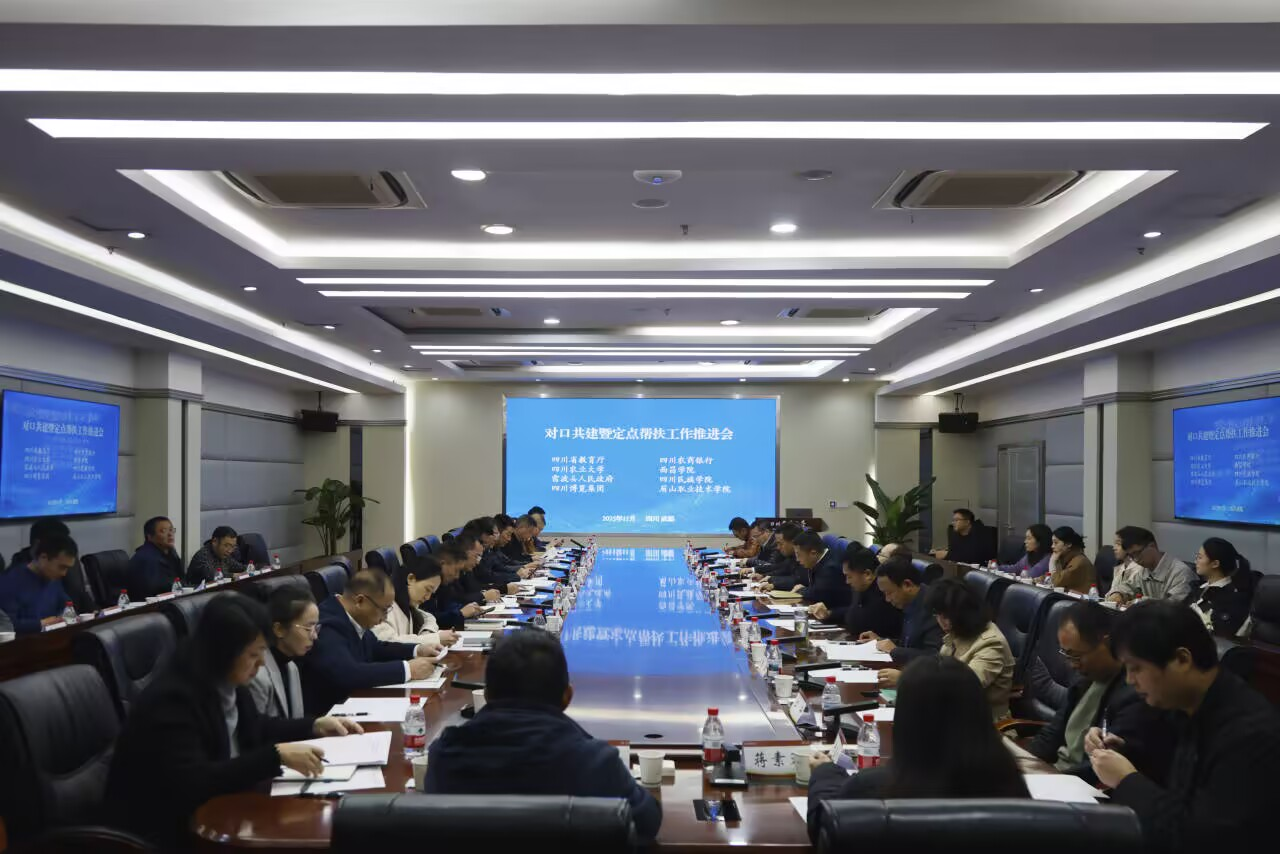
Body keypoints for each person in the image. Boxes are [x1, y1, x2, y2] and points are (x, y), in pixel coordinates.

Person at [105, 593, 361, 847]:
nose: (261, 663)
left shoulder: (226, 682)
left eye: (262, 652)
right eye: (253, 655)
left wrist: (313, 725)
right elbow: (192, 782)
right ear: (223, 652)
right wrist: (275, 757)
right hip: (167, 832)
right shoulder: (172, 700)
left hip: (220, 811)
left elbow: (257, 726)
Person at [424, 629, 662, 842]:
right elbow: (647, 820)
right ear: (567, 696)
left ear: (486, 695)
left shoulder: (444, 756)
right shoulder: (595, 762)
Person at [1089, 601, 1280, 851]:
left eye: (1136, 668)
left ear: (1182, 659)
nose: (1129, 680)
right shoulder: (1183, 707)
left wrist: (1126, 780)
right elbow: (1170, 781)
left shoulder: (1250, 733)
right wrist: (1124, 753)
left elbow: (1199, 835)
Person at [806, 656, 1027, 831]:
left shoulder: (875, 786)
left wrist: (825, 772)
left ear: (907, 717)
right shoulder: (1010, 784)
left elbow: (825, 826)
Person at [1026, 602, 1173, 783]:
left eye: (1076, 656)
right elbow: (1052, 734)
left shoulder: (1136, 693)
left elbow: (1101, 767)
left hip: (1077, 784)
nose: (1072, 664)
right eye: (1067, 655)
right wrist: (1023, 766)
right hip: (1054, 774)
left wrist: (1049, 781)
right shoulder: (1085, 678)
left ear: (1106, 642)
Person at [298, 569, 442, 714]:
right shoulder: (328, 625)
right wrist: (408, 669)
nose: (385, 618)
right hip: (329, 716)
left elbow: (377, 648)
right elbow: (349, 673)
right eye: (384, 610)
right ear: (360, 601)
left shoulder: (351, 616)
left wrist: (417, 649)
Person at [876, 578, 1014, 720]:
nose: (943, 622)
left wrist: (906, 679)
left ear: (966, 611)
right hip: (949, 715)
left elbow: (964, 687)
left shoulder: (991, 643)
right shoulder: (958, 633)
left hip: (982, 724)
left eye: (947, 616)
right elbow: (938, 670)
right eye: (938, 615)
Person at [248, 586, 318, 719]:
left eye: (316, 627)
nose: (315, 636)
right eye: (308, 628)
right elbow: (258, 729)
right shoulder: (257, 676)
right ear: (279, 629)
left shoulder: (291, 667)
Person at [859, 557, 943, 665]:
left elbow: (936, 657)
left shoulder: (934, 606)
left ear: (907, 585)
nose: (887, 599)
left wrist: (895, 651)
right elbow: (910, 644)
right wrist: (881, 641)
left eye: (889, 593)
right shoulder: (910, 603)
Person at [807, 549, 902, 640]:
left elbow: (862, 621)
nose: (847, 581)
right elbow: (853, 611)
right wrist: (829, 613)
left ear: (867, 574)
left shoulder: (886, 595)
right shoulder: (860, 588)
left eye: (849, 576)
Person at [373, 554, 458, 648]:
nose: (428, 598)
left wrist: (427, 633)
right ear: (411, 579)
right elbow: (388, 643)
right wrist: (434, 638)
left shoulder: (407, 602)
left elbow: (428, 617)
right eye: (427, 589)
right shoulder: (384, 606)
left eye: (431, 593)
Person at [0, 533, 78, 634]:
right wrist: (40, 624)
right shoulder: (9, 582)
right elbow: (6, 626)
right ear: (43, 557)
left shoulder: (53, 578)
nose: (64, 573)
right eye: (62, 567)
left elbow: (66, 605)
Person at [1107, 526, 1196, 604]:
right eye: (1131, 556)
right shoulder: (1143, 570)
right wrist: (1118, 594)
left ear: (1152, 546)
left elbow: (1173, 607)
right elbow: (1127, 586)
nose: (1136, 560)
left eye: (1137, 553)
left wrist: (1142, 603)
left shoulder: (1181, 573)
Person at [1187, 537, 1255, 637]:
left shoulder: (1234, 599)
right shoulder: (1197, 587)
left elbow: (1221, 635)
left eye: (1200, 557)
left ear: (1215, 564)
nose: (1195, 561)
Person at [424, 543, 491, 630]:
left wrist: (466, 608)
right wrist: (460, 613)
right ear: (443, 564)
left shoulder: (444, 585)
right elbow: (429, 618)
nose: (457, 576)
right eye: (456, 570)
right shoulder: (427, 583)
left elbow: (449, 604)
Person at [127, 515, 184, 598]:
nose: (170, 534)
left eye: (171, 530)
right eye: (163, 531)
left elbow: (181, 580)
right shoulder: (145, 558)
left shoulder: (171, 552)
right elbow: (153, 591)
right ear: (150, 536)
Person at [792, 531, 851, 610]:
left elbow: (817, 593)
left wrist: (801, 590)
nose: (797, 559)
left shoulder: (830, 568)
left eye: (798, 555)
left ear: (813, 553)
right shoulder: (820, 561)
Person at [5, 516, 69, 574]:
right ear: (38, 544)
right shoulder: (15, 573)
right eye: (58, 546)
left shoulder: (65, 564)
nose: (62, 550)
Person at [929, 508, 995, 564]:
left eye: (956, 520)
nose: (953, 523)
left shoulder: (980, 535)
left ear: (967, 522)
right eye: (953, 520)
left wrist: (948, 554)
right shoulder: (954, 534)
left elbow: (974, 556)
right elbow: (955, 551)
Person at [753, 523, 804, 591]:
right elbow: (782, 569)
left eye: (780, 543)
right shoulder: (791, 556)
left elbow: (799, 579)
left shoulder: (805, 556)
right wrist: (764, 576)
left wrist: (773, 583)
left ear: (793, 542)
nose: (778, 547)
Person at [1049, 526, 1095, 594]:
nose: (1052, 546)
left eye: (1056, 543)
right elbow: (1053, 576)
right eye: (1052, 543)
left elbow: (1056, 583)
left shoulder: (1079, 562)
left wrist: (1052, 562)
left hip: (1080, 600)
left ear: (1068, 544)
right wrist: (1038, 579)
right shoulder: (1066, 558)